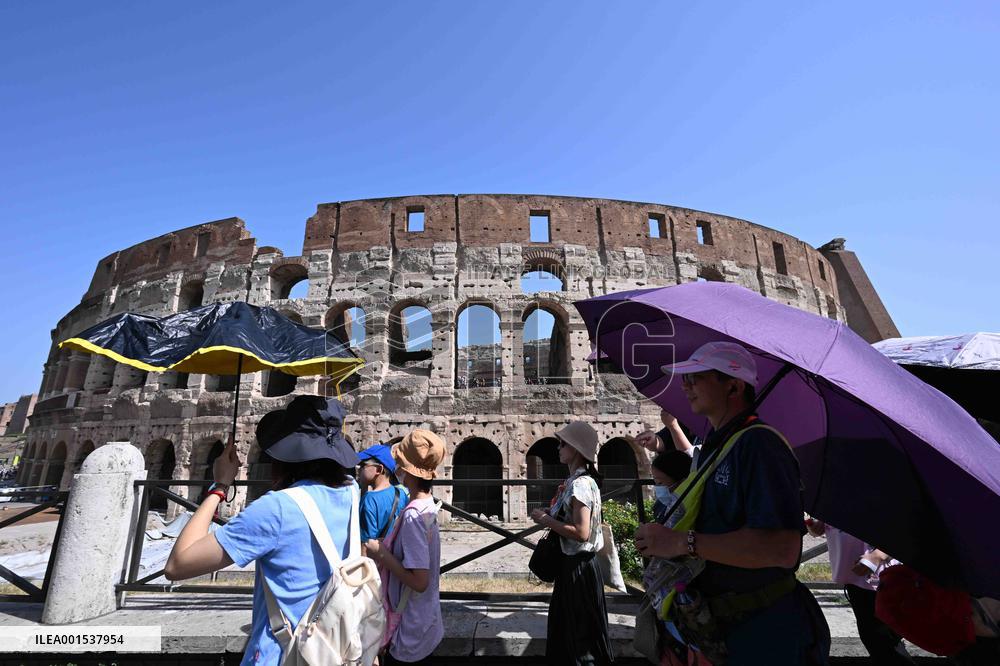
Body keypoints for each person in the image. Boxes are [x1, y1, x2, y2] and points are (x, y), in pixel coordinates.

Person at [634, 341, 830, 665]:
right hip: (722, 625)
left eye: (696, 378)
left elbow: (782, 549)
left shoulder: (760, 444)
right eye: (685, 379)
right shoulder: (715, 444)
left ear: (733, 385)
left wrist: (681, 541)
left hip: (765, 629)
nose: (686, 386)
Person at [164, 395, 360, 666]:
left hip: (281, 655)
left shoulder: (276, 509)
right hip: (333, 648)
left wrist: (219, 486)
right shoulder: (351, 490)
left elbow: (177, 565)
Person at [529, 421, 615, 665]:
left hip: (578, 570)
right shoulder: (578, 482)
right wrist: (553, 514)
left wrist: (546, 520)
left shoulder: (580, 484)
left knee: (579, 642)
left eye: (563, 443)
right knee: (572, 636)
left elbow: (581, 532)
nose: (558, 447)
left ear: (576, 449)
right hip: (576, 567)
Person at [365, 430, 446, 665]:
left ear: (405, 470)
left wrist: (381, 554)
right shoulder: (428, 505)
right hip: (425, 621)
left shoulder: (412, 516)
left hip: (409, 629)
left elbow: (419, 581)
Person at [806, 519, 914, 664]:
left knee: (882, 639)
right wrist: (815, 527)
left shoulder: (876, 497)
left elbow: (901, 531)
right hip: (854, 579)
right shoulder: (833, 499)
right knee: (874, 638)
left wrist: (877, 557)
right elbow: (820, 529)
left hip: (880, 578)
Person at [357, 443, 409, 550]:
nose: (359, 469)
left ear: (379, 470)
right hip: (395, 559)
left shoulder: (369, 499)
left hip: (377, 562)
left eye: (363, 465)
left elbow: (365, 544)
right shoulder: (401, 493)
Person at [637, 410, 701, 468]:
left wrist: (673, 426)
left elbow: (691, 459)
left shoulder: (710, 426)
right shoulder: (685, 418)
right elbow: (662, 441)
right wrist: (653, 440)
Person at [651, 449, 692, 527]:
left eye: (660, 483)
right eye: (655, 483)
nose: (658, 488)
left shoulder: (686, 507)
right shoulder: (660, 505)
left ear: (682, 482)